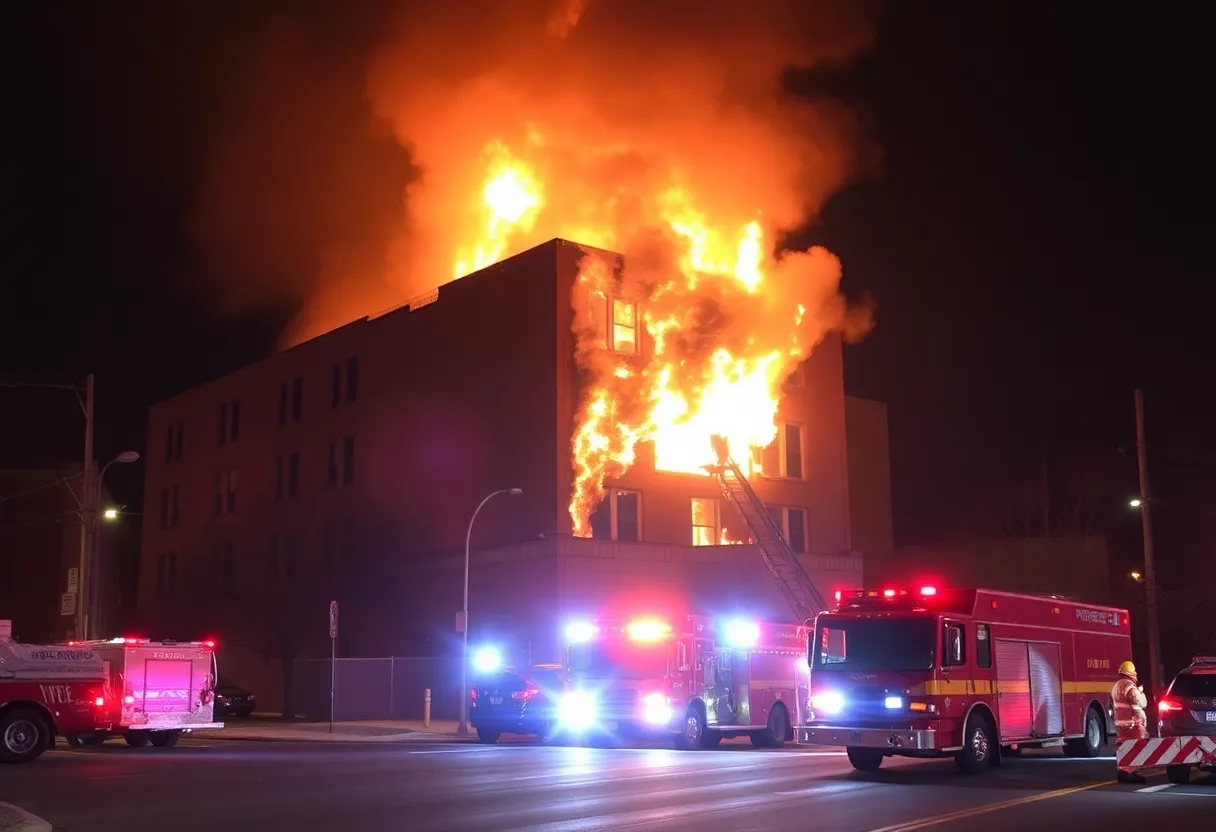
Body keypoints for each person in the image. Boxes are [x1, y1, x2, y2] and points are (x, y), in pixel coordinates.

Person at [1112, 660, 1149, 783]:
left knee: (1123, 748)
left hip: (1121, 724)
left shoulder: (1116, 686)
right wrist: (1141, 693)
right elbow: (1141, 703)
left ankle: (1123, 770)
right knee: (1136, 748)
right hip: (1133, 724)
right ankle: (1133, 773)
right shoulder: (1130, 687)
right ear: (1132, 673)